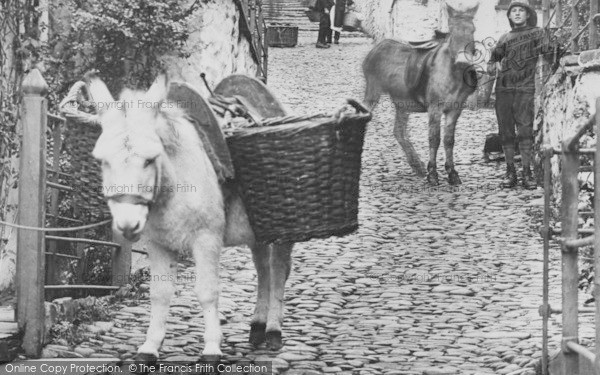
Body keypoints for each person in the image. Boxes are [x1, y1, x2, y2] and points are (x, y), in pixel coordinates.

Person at [487, 0, 554, 189]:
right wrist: (494, 66)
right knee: (506, 131)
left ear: (527, 15)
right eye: (513, 11)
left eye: (521, 11)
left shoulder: (537, 33)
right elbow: (492, 63)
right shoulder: (504, 38)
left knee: (525, 130)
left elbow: (548, 53)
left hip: (525, 88)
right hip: (503, 90)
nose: (517, 13)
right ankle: (510, 173)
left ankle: (527, 173)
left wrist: (551, 48)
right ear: (509, 16)